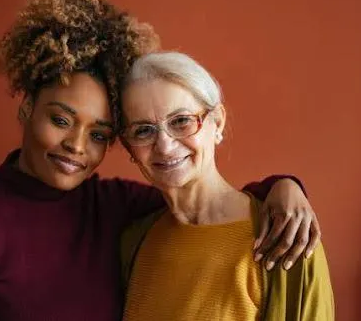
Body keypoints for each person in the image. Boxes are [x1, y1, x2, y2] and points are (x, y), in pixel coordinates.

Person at [0, 0, 321, 321]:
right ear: (27, 106)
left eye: (100, 134)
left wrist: (282, 188)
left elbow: (204, 202)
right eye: (61, 120)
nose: (77, 146)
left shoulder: (115, 209)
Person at [120, 52, 334, 320]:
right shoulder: (134, 240)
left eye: (181, 121)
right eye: (143, 130)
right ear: (129, 146)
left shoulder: (287, 238)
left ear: (217, 122)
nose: (164, 145)